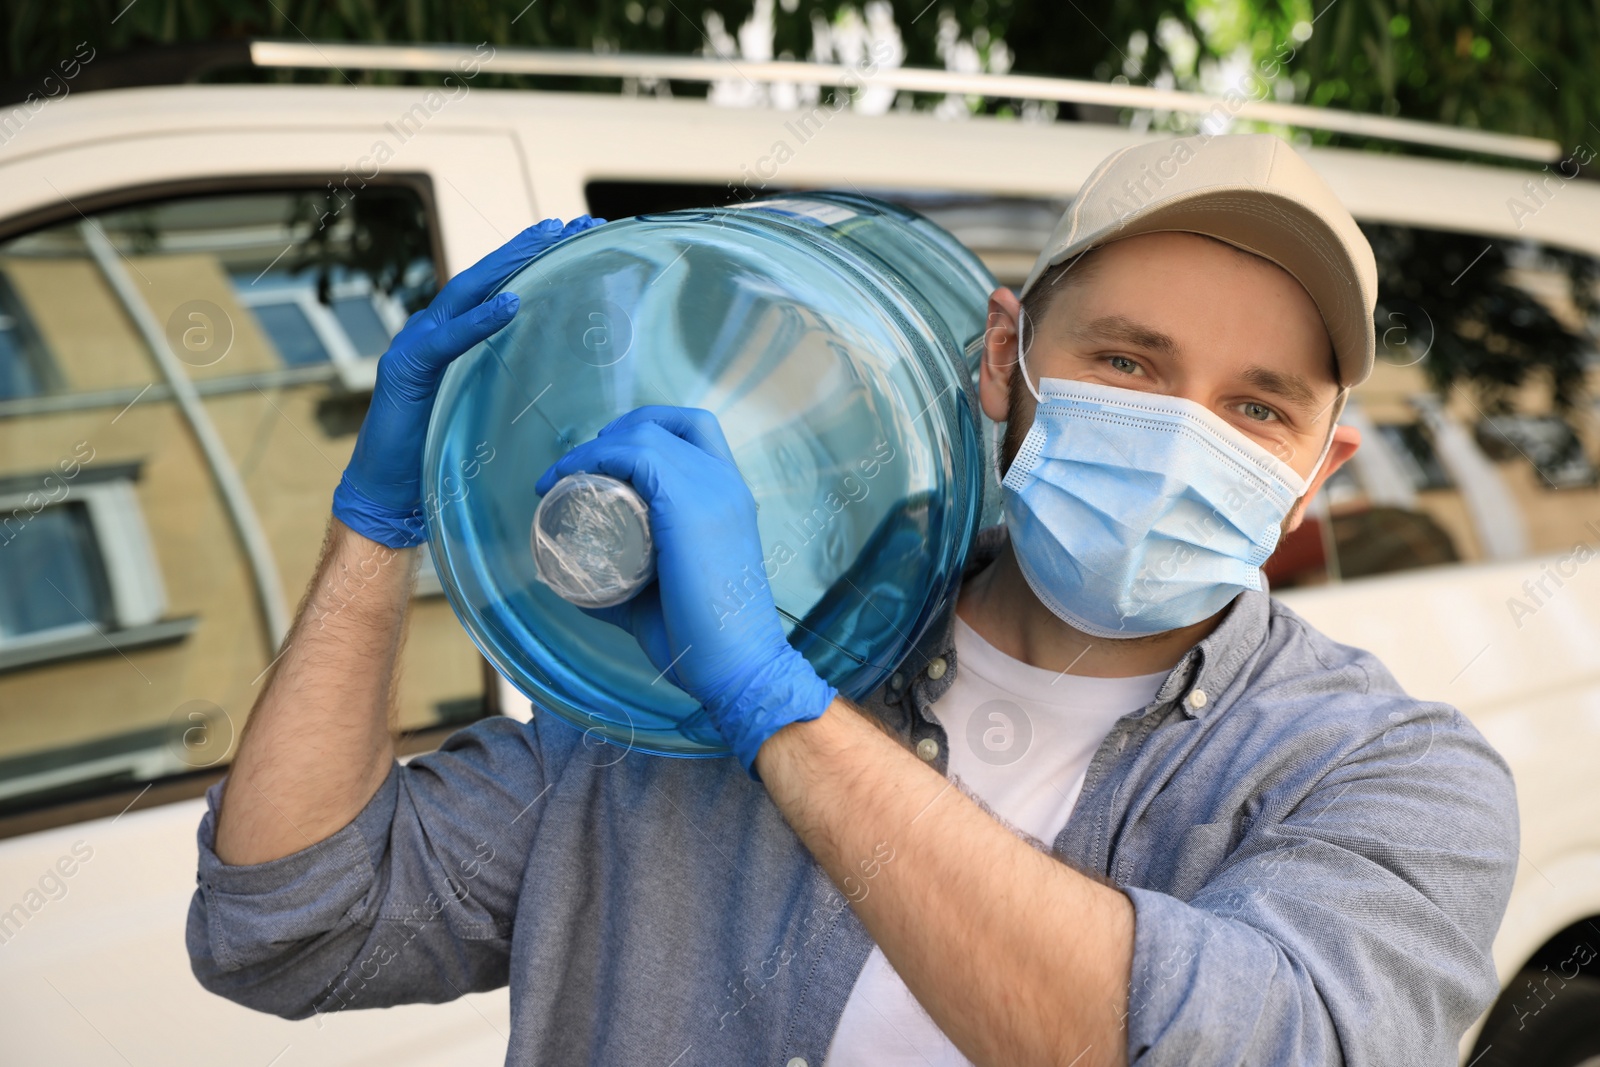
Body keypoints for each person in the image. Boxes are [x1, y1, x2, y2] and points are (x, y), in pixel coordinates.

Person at [187, 135, 1518, 1067]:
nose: (1181, 431)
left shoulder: (1384, 777)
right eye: (1125, 359)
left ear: (1314, 472)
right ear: (1004, 361)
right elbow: (292, 928)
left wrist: (778, 715)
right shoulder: (721, 667)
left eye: (1254, 408)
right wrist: (376, 532)